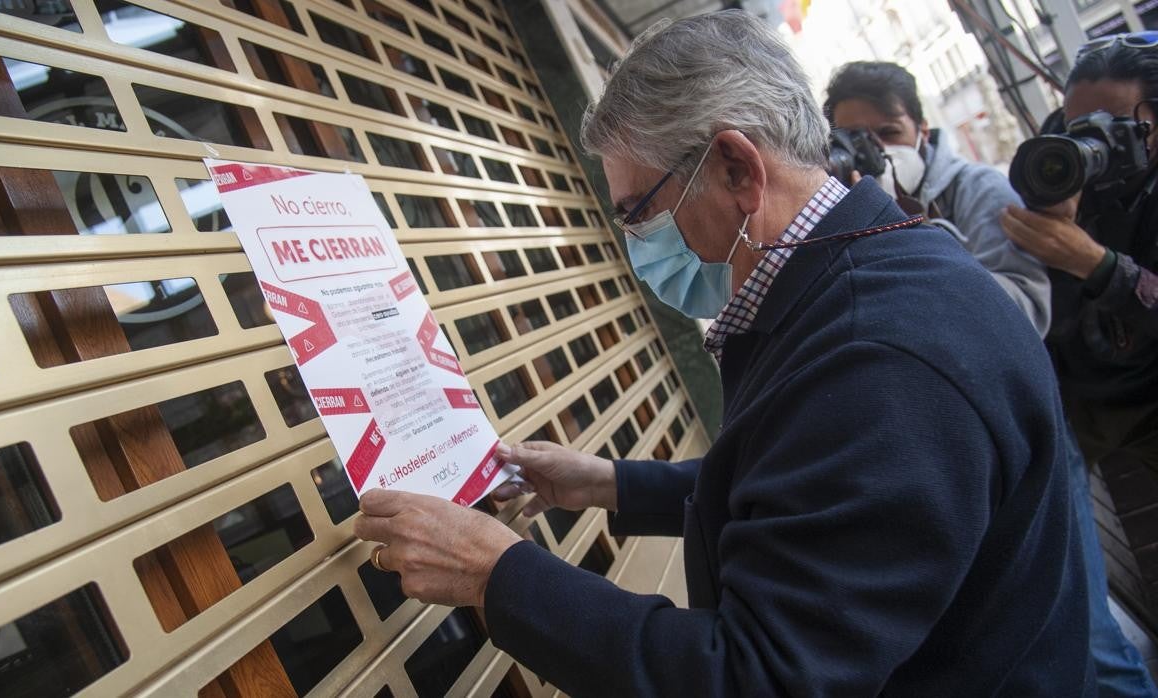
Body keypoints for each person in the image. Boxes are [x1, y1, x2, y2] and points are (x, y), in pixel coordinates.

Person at [355, 10, 1091, 695]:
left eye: (640, 213)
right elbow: (810, 482)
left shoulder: (882, 358)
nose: (638, 248)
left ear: (738, 168)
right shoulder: (870, 277)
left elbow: (753, 676)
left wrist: (495, 573)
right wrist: (610, 483)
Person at [1001, 35, 1158, 698]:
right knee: (1081, 603)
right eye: (1077, 127)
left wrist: (1092, 262)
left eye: (1118, 128)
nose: (1091, 142)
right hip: (1081, 403)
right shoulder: (1056, 169)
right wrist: (1049, 230)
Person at [824, 61, 1052, 335]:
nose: (877, 152)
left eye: (889, 132)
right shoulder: (845, 214)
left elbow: (1030, 312)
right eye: (857, 141)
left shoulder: (978, 189)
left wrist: (919, 242)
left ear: (923, 129)